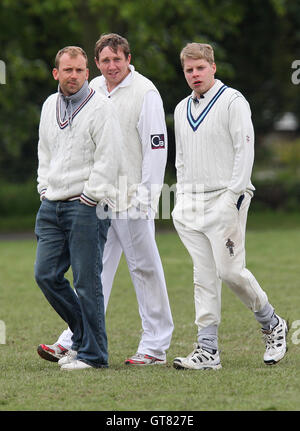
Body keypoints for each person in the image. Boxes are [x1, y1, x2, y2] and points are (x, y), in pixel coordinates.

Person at [37, 34, 174, 366]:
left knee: (144, 268)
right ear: (96, 64)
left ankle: (154, 346)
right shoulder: (92, 86)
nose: (112, 66)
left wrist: (148, 196)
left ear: (129, 58)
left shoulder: (146, 92)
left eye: (118, 59)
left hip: (130, 197)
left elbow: (156, 148)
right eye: (106, 60)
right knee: (92, 272)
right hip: (96, 199)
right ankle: (74, 338)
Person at [171, 42, 288, 370]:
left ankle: (272, 323)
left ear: (213, 67)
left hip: (226, 197)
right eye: (189, 70)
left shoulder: (233, 101)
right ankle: (208, 350)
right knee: (203, 275)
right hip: (191, 203)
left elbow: (244, 151)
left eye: (200, 68)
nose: (195, 75)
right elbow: (180, 158)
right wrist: (180, 198)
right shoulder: (181, 109)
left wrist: (233, 197)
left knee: (229, 271)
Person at [35, 46, 124, 371]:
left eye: (80, 70)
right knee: (45, 274)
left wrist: (90, 196)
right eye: (67, 70)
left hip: (88, 206)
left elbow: (110, 157)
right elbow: (44, 151)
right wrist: (44, 188)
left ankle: (93, 355)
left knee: (87, 282)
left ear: (88, 73)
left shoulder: (101, 107)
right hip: (52, 205)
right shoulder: (49, 105)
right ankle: (84, 337)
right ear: (56, 73)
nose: (74, 76)